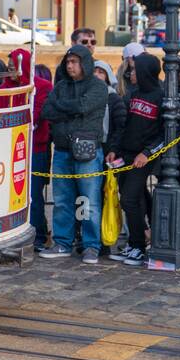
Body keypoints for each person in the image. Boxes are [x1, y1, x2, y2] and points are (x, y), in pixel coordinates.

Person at [40, 44, 109, 263]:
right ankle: (62, 242)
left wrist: (64, 108)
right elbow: (47, 111)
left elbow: (84, 107)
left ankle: (91, 245)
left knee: (87, 201)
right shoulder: (60, 86)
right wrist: (70, 108)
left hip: (87, 152)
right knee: (62, 200)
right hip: (62, 150)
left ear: (85, 63)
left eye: (75, 62)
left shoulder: (98, 86)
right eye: (68, 62)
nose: (70, 66)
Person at [106, 53, 163, 266]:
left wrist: (147, 153)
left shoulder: (161, 96)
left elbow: (166, 133)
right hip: (125, 154)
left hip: (143, 158)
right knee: (131, 199)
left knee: (129, 199)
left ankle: (139, 246)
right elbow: (123, 126)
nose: (131, 73)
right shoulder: (132, 94)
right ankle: (134, 244)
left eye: (136, 70)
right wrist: (114, 149)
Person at [11, 48, 53, 250]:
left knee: (34, 193)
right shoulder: (7, 86)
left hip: (35, 146)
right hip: (11, 146)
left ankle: (39, 233)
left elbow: (36, 114)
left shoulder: (43, 86)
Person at [93, 60, 128, 156]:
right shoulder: (84, 96)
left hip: (106, 148)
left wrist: (113, 149)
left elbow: (120, 127)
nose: (96, 74)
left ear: (107, 77)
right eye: (94, 71)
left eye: (101, 72)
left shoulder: (114, 99)